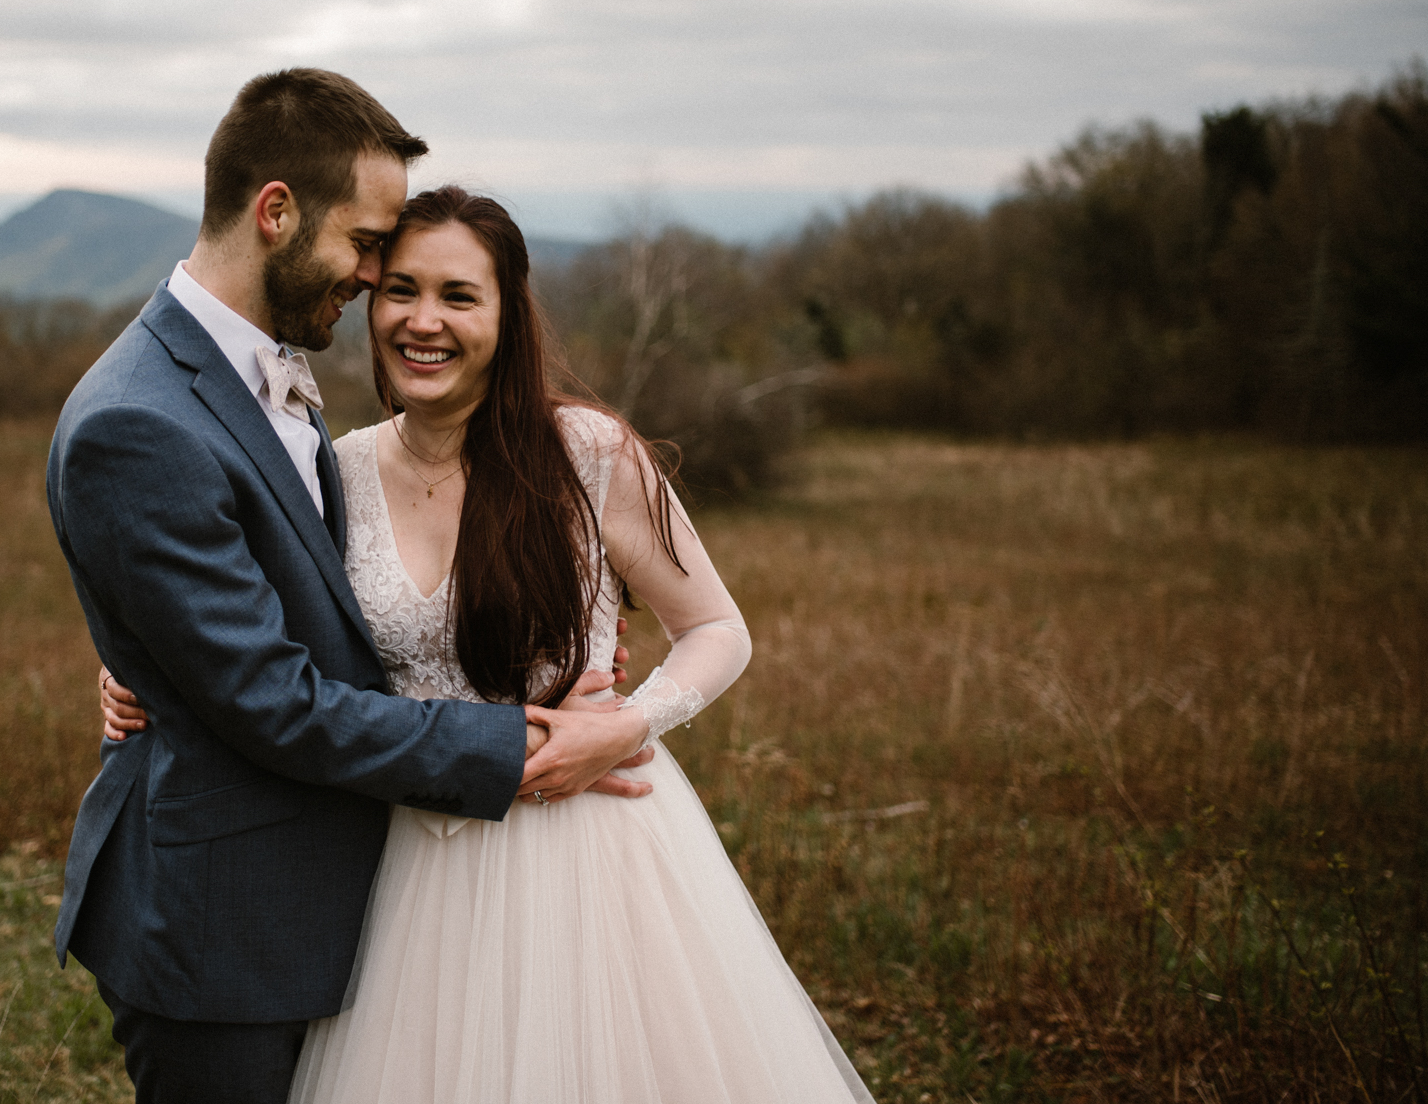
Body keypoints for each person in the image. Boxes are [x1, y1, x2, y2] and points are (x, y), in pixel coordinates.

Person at [103, 186, 875, 1102]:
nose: (423, 321)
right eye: (401, 290)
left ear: (508, 315)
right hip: (403, 864)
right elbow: (244, 628)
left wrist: (630, 724)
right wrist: (133, 670)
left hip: (585, 852)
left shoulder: (588, 456)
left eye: (460, 296)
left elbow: (716, 629)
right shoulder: (331, 466)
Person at [45, 69, 652, 1104]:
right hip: (222, 929)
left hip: (344, 897)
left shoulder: (261, 365)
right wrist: (523, 744)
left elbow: (292, 605)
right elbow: (273, 703)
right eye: (366, 245)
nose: (376, 279)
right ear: (275, 212)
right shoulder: (137, 419)